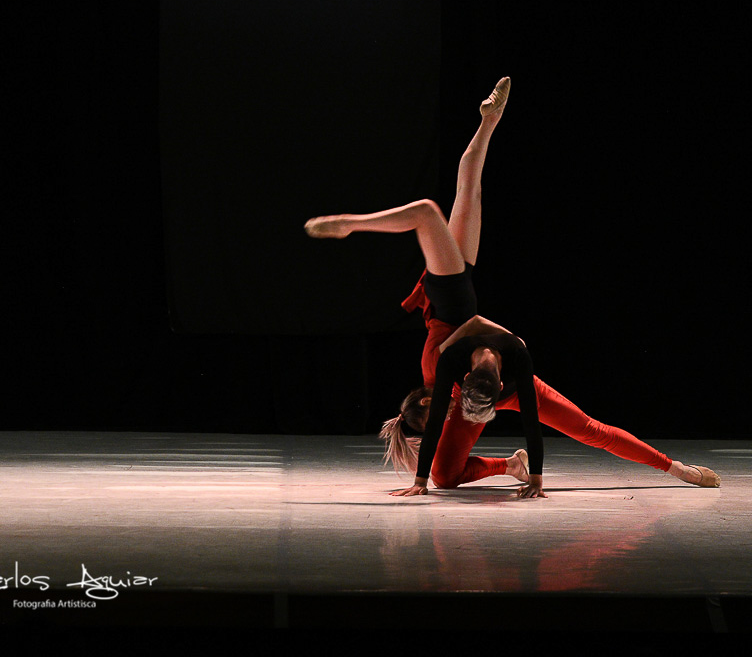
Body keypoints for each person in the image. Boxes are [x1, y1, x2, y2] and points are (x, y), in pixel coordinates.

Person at [305, 76, 720, 498]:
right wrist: (428, 480)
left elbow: (574, 426)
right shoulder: (499, 362)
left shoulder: (447, 362)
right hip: (468, 338)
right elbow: (481, 391)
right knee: (444, 477)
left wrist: (676, 469)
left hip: (452, 301)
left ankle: (478, 128)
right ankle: (510, 464)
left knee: (444, 205)